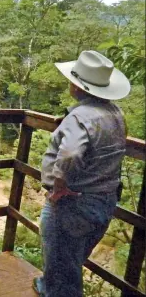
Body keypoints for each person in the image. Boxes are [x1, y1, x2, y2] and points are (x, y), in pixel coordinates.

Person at [33, 50, 131, 297]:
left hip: (74, 202)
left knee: (61, 263)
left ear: (78, 86)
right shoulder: (114, 113)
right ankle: (48, 287)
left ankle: (55, 290)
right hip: (104, 200)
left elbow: (69, 154)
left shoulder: (81, 117)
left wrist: (59, 187)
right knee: (72, 259)